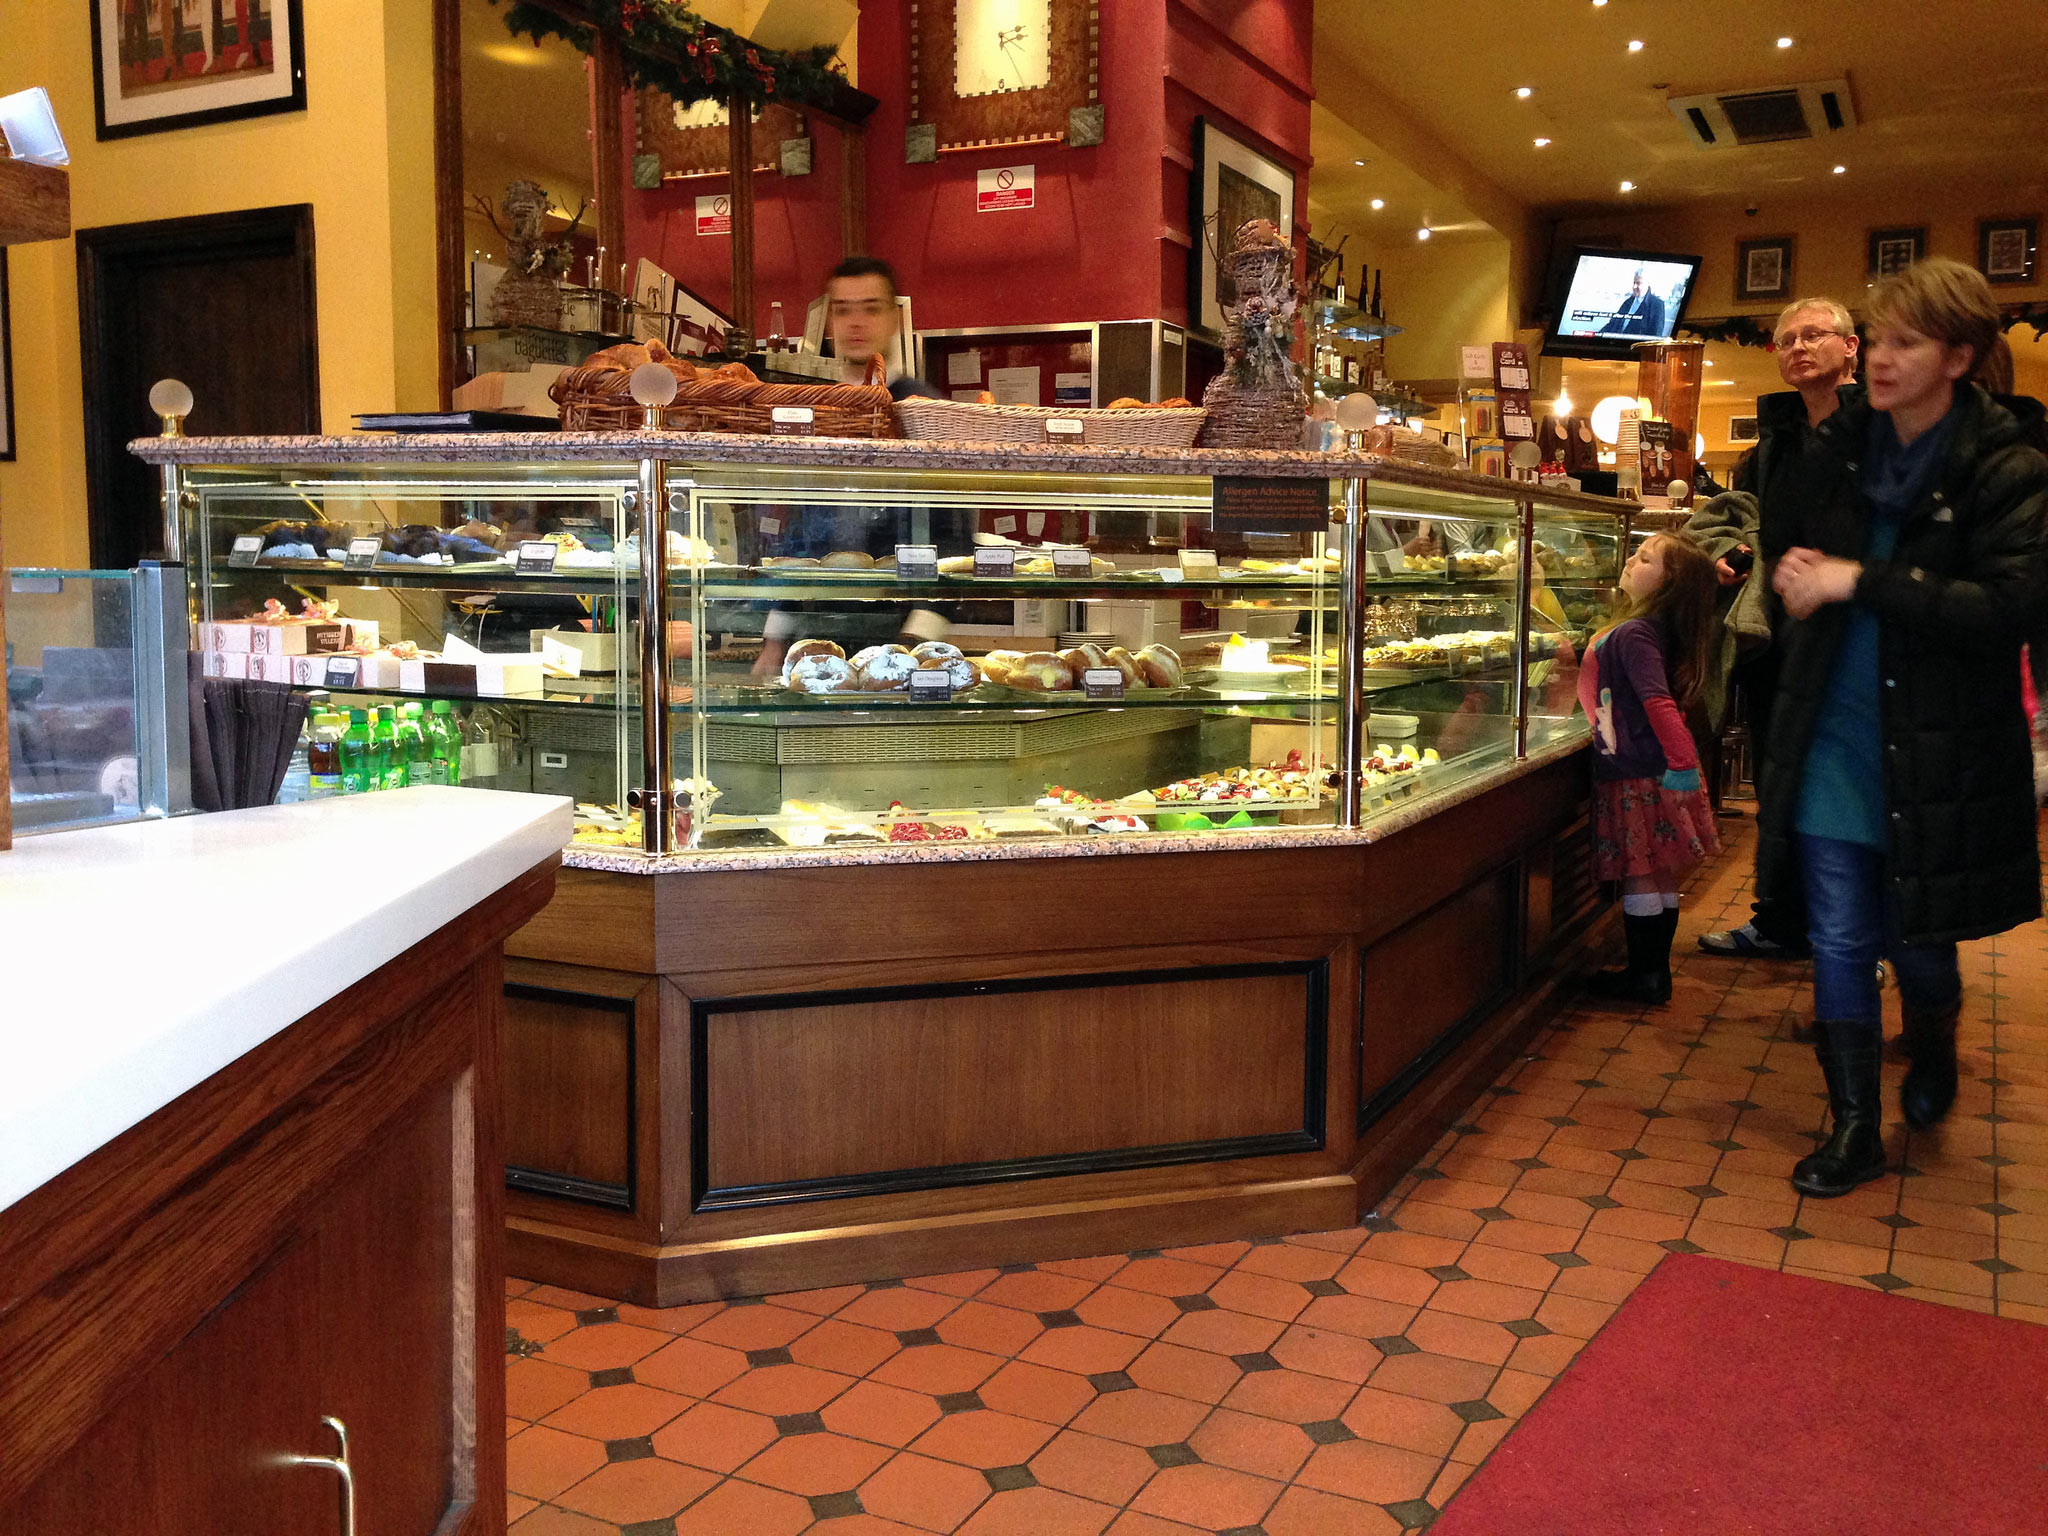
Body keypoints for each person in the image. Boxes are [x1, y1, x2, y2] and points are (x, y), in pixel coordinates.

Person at [1761, 257, 2048, 1198]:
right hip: (1833, 725)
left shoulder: (2008, 463)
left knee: (1920, 938)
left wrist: (1858, 581)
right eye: (1875, 340)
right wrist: (1798, 564)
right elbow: (1789, 536)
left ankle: (1933, 1050)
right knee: (1842, 934)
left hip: (1939, 741)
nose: (1879, 360)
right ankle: (1852, 1126)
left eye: (1904, 343)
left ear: (1959, 356)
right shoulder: (1845, 446)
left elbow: (2010, 605)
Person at [1694, 295, 1863, 960]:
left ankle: (1855, 934)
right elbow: (1757, 532)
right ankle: (1783, 920)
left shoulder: (1880, 435)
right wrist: (1731, 561)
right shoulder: (1768, 449)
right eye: (1788, 338)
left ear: (1851, 348)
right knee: (1778, 780)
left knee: (1849, 788)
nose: (1799, 346)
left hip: (1853, 639)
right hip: (1779, 645)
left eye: (1816, 334)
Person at [1578, 532, 1723, 1005]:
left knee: (1640, 871)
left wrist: (1681, 764)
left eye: (1644, 559)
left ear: (1668, 585)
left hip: (1641, 771)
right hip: (1653, 766)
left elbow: (1656, 701)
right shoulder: (1646, 629)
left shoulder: (1636, 633)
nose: (1630, 560)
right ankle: (1653, 973)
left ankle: (1645, 977)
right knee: (1659, 873)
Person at [821, 256, 940, 401]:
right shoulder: (815, 403)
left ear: (895, 319)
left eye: (871, 309)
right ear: (829, 321)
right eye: (843, 311)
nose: (855, 322)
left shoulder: (921, 409)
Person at [1599, 268, 1667, 337]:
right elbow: (1612, 324)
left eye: (1638, 283)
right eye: (1634, 283)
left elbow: (1656, 335)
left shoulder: (1657, 305)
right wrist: (1597, 336)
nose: (1634, 287)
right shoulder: (1628, 302)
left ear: (1648, 284)